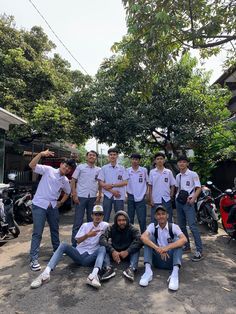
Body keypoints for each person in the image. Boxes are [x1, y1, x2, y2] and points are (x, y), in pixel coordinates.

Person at [30, 205, 109, 289]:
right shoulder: (85, 225)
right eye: (95, 214)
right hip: (79, 255)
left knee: (102, 248)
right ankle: (45, 273)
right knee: (63, 244)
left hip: (90, 258)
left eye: (100, 214)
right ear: (92, 215)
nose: (97, 216)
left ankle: (93, 276)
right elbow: (77, 241)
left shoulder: (105, 226)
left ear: (103, 216)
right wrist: (87, 235)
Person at [28, 149, 75, 271]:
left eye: (69, 168)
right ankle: (33, 258)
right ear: (61, 164)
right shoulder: (48, 170)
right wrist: (41, 154)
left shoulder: (65, 180)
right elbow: (32, 165)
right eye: (65, 165)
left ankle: (56, 250)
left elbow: (68, 192)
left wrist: (61, 202)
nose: (66, 168)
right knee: (37, 232)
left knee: (55, 229)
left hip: (53, 207)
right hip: (39, 205)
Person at [139, 205, 187, 290]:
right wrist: (158, 248)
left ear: (167, 215)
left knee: (178, 241)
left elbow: (184, 239)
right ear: (155, 216)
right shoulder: (152, 226)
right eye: (158, 214)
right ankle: (148, 271)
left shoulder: (174, 227)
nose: (161, 216)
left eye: (163, 214)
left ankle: (175, 275)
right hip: (157, 259)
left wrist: (166, 248)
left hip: (171, 260)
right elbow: (143, 237)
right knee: (148, 239)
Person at [99, 210, 143, 281]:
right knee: (103, 248)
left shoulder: (132, 228)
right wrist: (112, 250)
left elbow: (140, 240)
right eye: (119, 220)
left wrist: (128, 251)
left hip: (128, 254)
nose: (121, 222)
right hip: (114, 254)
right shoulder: (111, 228)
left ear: (127, 220)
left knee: (136, 248)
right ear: (116, 221)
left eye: (123, 220)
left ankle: (131, 269)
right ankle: (108, 269)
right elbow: (102, 238)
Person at [175, 155, 203, 261]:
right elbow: (178, 189)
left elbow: (198, 188)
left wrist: (193, 198)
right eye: (180, 162)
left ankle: (199, 251)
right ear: (177, 164)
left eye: (183, 162)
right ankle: (186, 247)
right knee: (181, 226)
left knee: (192, 226)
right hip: (179, 203)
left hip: (189, 203)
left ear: (187, 163)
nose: (181, 163)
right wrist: (176, 198)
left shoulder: (192, 174)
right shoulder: (178, 176)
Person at [71, 150, 101, 246]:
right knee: (78, 222)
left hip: (92, 197)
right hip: (81, 197)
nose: (92, 157)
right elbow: (73, 180)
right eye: (90, 155)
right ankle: (75, 244)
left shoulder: (98, 170)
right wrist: (74, 194)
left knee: (91, 222)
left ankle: (89, 244)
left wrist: (99, 195)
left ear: (96, 158)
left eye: (94, 155)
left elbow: (100, 183)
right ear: (86, 157)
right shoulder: (80, 167)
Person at [98, 147, 129, 222]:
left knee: (120, 216)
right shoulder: (104, 168)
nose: (112, 156)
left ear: (117, 156)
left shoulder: (122, 168)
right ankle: (104, 232)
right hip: (107, 195)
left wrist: (112, 185)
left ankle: (119, 233)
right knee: (105, 216)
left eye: (114, 154)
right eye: (111, 154)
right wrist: (112, 191)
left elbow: (125, 182)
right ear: (108, 156)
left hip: (119, 195)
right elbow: (101, 182)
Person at [149, 152, 176, 223]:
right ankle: (155, 234)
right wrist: (151, 199)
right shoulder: (152, 172)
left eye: (161, 159)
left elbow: (173, 184)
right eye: (158, 159)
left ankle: (169, 233)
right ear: (155, 161)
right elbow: (150, 186)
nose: (159, 160)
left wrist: (171, 195)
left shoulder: (168, 172)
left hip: (166, 199)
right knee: (154, 219)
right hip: (155, 199)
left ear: (164, 160)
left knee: (168, 218)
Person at [127, 153, 149, 233]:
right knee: (130, 218)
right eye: (133, 159)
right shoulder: (127, 170)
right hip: (131, 196)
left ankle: (144, 237)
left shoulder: (144, 170)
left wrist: (146, 193)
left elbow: (147, 182)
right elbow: (125, 183)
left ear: (139, 161)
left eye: (136, 159)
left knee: (142, 219)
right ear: (131, 160)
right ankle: (130, 237)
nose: (134, 161)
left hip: (141, 197)